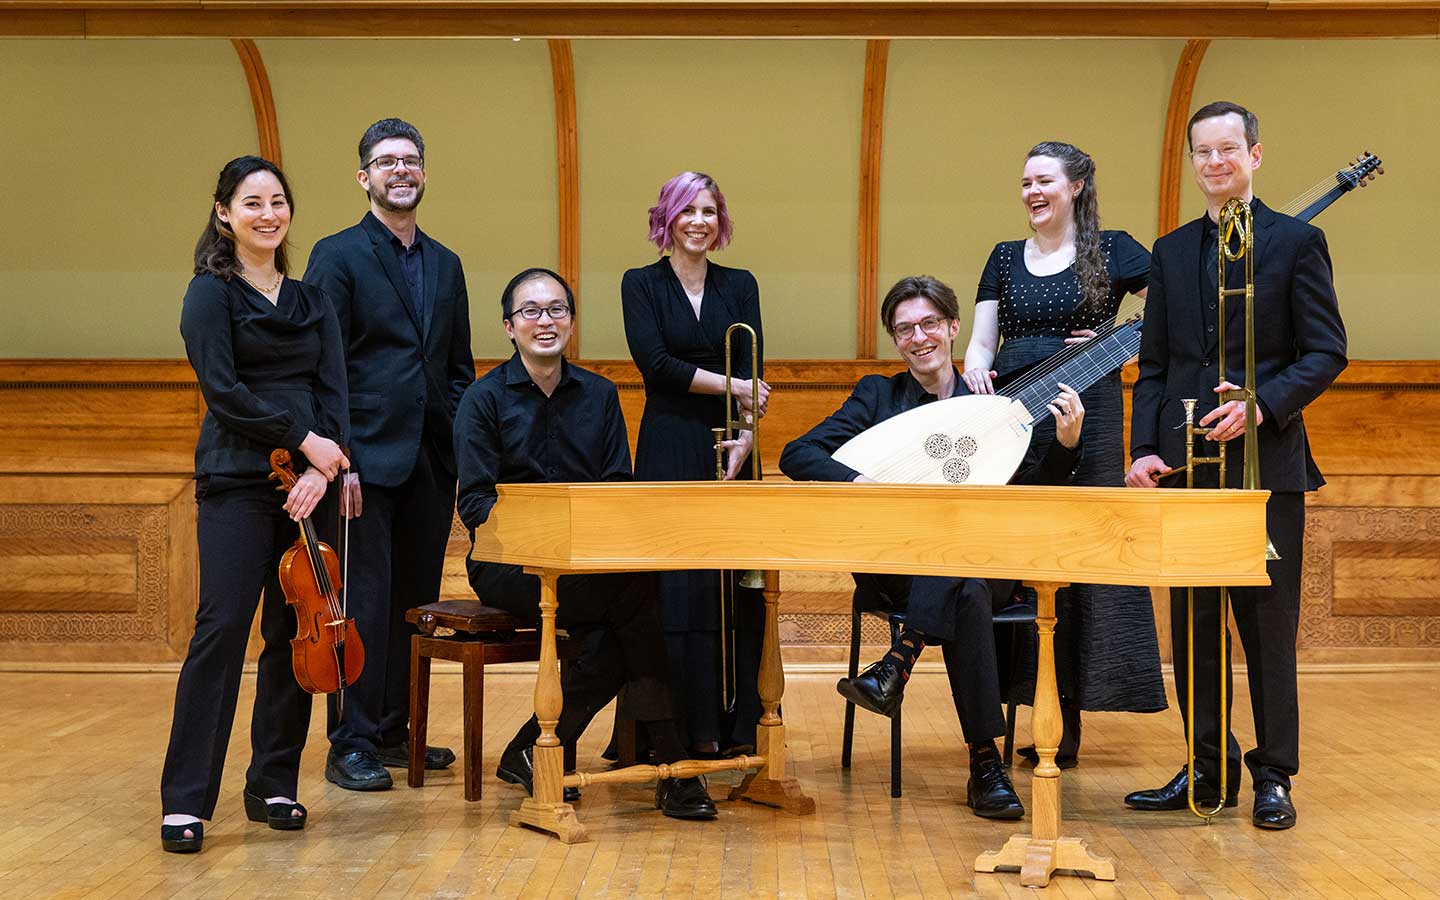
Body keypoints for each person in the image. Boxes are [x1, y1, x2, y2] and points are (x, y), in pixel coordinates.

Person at [779, 275, 1086, 820]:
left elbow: (1034, 484)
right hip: (901, 566)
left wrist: (1066, 445)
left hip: (985, 563)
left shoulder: (990, 400)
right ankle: (983, 764)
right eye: (903, 330)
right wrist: (862, 484)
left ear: (952, 327)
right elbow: (797, 454)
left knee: (966, 573)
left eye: (927, 324)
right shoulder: (878, 395)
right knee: (962, 584)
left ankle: (898, 664)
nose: (917, 338)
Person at [1124, 101, 1347, 830]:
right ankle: (1208, 769)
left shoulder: (1298, 242)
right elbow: (1155, 365)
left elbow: (1326, 351)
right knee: (1193, 629)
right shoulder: (1171, 249)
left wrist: (1261, 405)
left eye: (1228, 150)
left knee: (1267, 629)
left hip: (1267, 470)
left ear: (1255, 155)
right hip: (1187, 471)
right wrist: (1144, 448)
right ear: (1193, 162)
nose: (1215, 163)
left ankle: (1274, 774)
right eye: (1203, 153)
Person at [455, 267, 717, 820]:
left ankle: (533, 749)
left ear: (571, 322)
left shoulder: (598, 394)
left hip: (588, 562)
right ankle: (672, 765)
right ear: (508, 326)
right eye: (530, 311)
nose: (544, 321)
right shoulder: (482, 399)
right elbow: (476, 503)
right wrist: (544, 534)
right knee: (637, 603)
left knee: (624, 618)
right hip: (510, 561)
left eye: (556, 310)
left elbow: (617, 486)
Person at [161, 156, 349, 853]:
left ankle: (274, 782)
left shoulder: (311, 298)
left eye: (278, 201)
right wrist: (302, 441)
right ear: (224, 214)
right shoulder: (210, 295)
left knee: (296, 631)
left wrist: (323, 471)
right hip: (239, 478)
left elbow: (337, 394)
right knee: (223, 626)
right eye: (252, 203)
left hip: (311, 484)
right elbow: (225, 392)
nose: (267, 213)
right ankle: (185, 798)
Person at [962, 141, 1167, 768]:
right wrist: (975, 372)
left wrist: (1116, 337)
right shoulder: (1002, 257)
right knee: (1022, 555)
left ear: (1076, 186)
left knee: (1079, 559)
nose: (1031, 192)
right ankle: (1016, 710)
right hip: (1015, 412)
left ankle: (1068, 718)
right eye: (1024, 181)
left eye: (1043, 180)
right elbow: (979, 344)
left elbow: (1174, 304)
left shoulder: (1114, 248)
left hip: (1090, 405)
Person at [304, 118, 475, 791]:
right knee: (362, 603)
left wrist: (458, 440)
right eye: (385, 162)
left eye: (410, 160)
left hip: (430, 461)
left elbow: (458, 366)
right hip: (362, 463)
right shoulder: (338, 254)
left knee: (414, 602)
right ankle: (350, 738)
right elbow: (325, 362)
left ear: (424, 173)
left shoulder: (448, 263)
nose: (399, 171)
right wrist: (339, 457)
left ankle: (399, 733)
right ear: (364, 177)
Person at [619, 171, 768, 757]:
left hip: (733, 445)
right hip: (671, 444)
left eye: (709, 211)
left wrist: (750, 436)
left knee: (733, 587)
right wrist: (735, 384)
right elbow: (655, 364)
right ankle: (676, 731)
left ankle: (734, 728)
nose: (699, 221)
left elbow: (755, 368)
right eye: (688, 211)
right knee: (677, 586)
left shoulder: (741, 283)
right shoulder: (641, 283)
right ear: (667, 218)